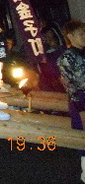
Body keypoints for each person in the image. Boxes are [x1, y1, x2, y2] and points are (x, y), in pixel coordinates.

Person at [56, 19, 85, 183]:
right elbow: (71, 87)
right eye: (81, 33)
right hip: (81, 100)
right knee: (83, 139)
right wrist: (81, 109)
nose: (84, 36)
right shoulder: (66, 58)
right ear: (70, 36)